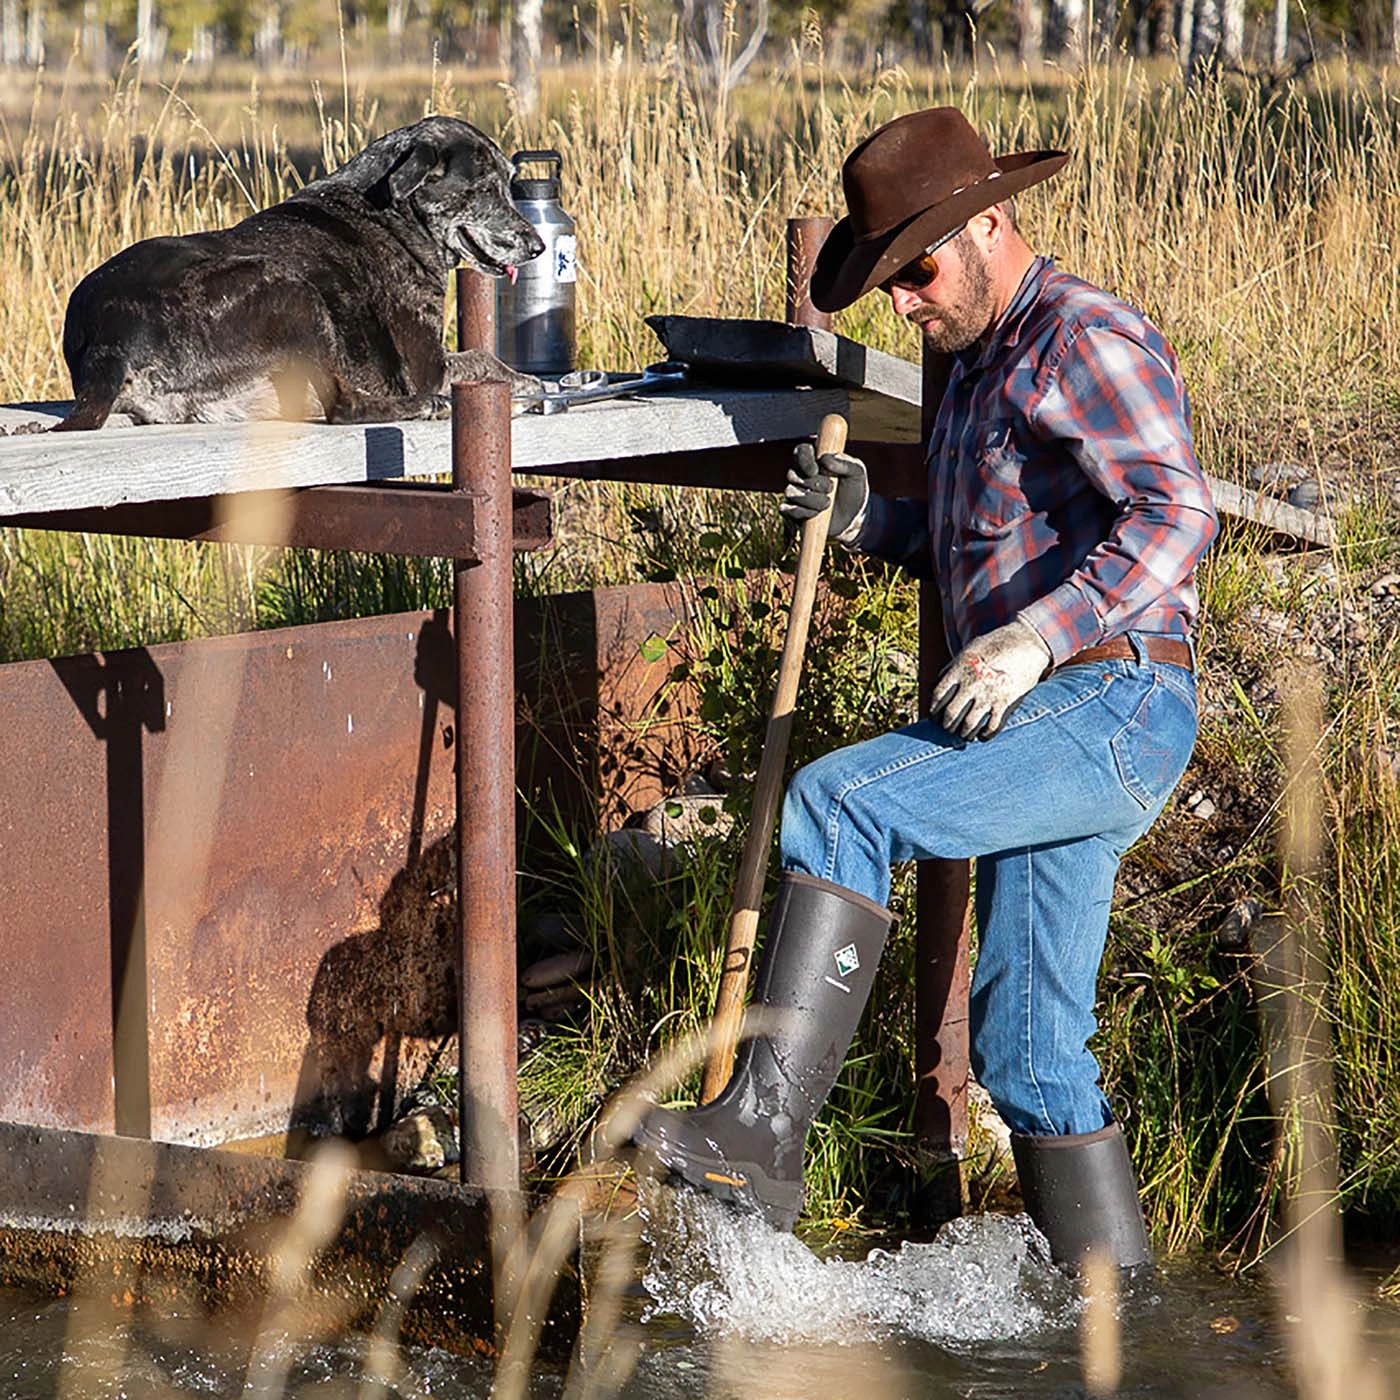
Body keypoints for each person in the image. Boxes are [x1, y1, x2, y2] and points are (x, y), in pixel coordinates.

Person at [633, 107, 1218, 1270]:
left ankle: (755, 1133)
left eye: (919, 270)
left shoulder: (1080, 336)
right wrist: (867, 519)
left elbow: (1177, 512)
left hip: (1111, 701)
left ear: (989, 224)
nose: (904, 301)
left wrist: (1034, 643)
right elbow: (977, 542)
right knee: (1028, 1050)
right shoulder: (968, 365)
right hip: (1054, 712)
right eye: (889, 280)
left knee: (842, 802)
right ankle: (1109, 1322)